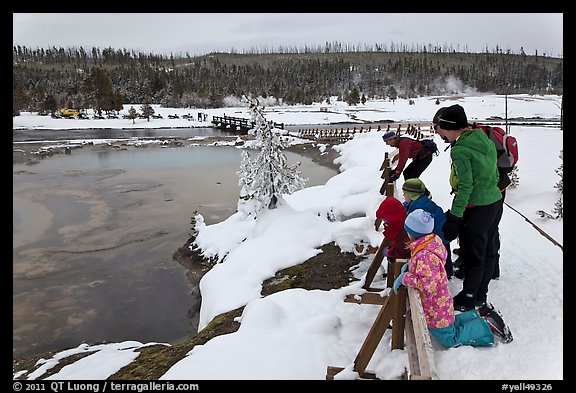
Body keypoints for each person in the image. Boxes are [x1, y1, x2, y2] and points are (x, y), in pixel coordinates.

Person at [393, 209, 513, 346]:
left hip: (434, 306)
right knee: (450, 324)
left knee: (450, 338)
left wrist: (406, 277)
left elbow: (427, 284)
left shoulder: (424, 255)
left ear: (413, 233)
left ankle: (486, 325)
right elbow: (427, 271)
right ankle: (480, 314)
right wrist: (410, 267)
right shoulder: (431, 243)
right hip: (439, 302)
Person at [432, 104, 503, 311]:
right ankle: (481, 293)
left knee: (474, 254)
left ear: (450, 127)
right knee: (488, 250)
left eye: (441, 130)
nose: (440, 134)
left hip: (478, 206)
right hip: (494, 202)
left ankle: (469, 296)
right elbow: (495, 172)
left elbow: (465, 188)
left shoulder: (460, 150)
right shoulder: (482, 137)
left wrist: (455, 216)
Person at [401, 178, 453, 278]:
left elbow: (417, 225)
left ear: (412, 194)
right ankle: (447, 271)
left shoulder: (419, 208)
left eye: (405, 193)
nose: (403, 195)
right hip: (442, 232)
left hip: (438, 236)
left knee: (442, 255)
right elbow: (408, 206)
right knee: (445, 252)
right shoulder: (421, 201)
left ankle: (445, 275)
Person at [374, 195, 411, 260]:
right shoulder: (399, 224)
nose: (384, 222)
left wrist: (390, 252)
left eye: (385, 220)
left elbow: (403, 251)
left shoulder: (403, 230)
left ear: (392, 218)